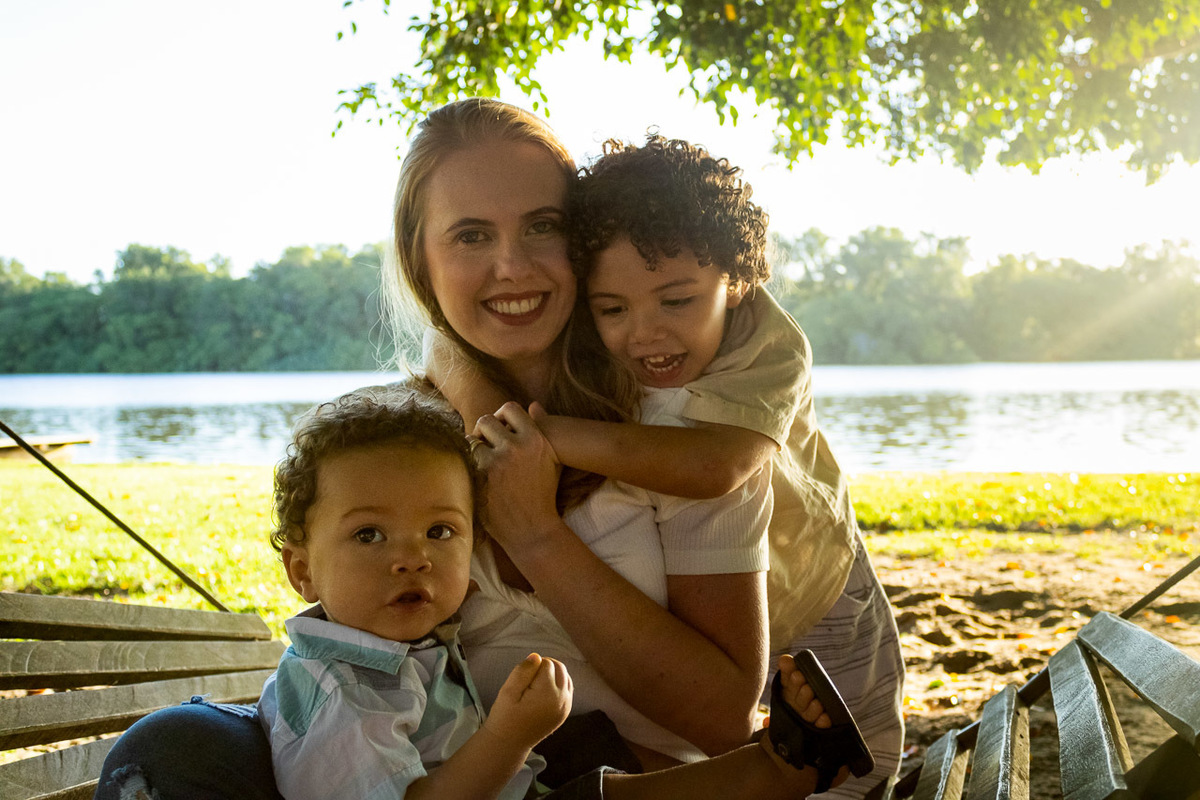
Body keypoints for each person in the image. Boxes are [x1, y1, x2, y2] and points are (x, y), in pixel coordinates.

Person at [406, 100, 902, 796]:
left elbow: (716, 470)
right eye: (469, 236)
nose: (512, 265)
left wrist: (535, 505)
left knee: (852, 754)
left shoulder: (691, 399)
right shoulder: (409, 427)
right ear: (419, 260)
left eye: (542, 226)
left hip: (822, 595)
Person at [258, 384, 855, 799]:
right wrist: (508, 735)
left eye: (440, 531)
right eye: (369, 535)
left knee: (588, 752)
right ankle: (777, 772)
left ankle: (771, 766)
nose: (412, 559)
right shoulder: (338, 691)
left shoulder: (389, 651)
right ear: (302, 571)